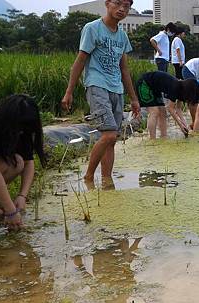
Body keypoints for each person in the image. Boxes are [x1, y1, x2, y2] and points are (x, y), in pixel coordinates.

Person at [62, 0, 140, 183]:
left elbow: (124, 70)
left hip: (117, 88)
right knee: (109, 135)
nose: (121, 9)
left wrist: (134, 99)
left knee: (112, 139)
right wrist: (69, 91)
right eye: (117, 3)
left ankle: (107, 179)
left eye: (126, 6)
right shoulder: (92, 28)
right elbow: (80, 60)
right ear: (107, 3)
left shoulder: (122, 36)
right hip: (97, 85)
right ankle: (89, 177)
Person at [0, 95, 46, 230]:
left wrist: (22, 196)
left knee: (18, 162)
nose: (21, 132)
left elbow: (29, 162)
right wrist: (11, 210)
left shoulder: (22, 131)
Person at [135, 71, 199, 139]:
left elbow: (178, 109)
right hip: (144, 84)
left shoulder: (181, 92)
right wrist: (180, 125)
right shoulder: (175, 87)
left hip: (155, 88)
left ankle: (163, 136)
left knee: (163, 112)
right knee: (154, 112)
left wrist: (184, 124)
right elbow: (170, 108)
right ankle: (152, 139)